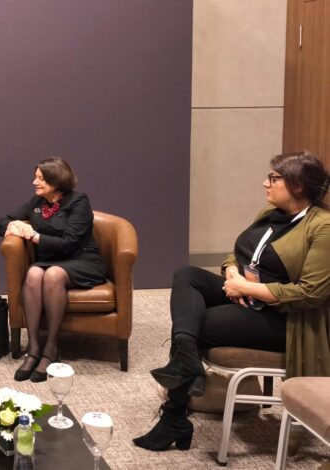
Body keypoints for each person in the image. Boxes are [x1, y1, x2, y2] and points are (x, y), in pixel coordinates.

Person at [134, 151, 330, 452]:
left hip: (286, 319)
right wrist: (232, 273)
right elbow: (238, 253)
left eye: (274, 178)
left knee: (200, 324)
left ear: (298, 185)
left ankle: (174, 416)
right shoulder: (270, 213)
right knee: (187, 275)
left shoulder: (323, 227)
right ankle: (186, 362)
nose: (265, 183)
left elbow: (310, 293)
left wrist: (249, 288)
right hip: (247, 295)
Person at [0, 157, 107, 382]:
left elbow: (69, 243)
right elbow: (1, 222)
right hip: (50, 260)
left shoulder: (78, 201)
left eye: (41, 178)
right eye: (35, 177)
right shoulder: (36, 203)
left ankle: (51, 348)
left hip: (82, 260)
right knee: (34, 273)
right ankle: (34, 348)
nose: (34, 182)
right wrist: (15, 225)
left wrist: (34, 236)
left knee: (53, 275)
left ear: (57, 180)